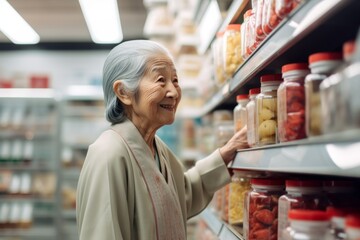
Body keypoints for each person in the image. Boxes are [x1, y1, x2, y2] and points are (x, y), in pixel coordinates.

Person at [76, 40, 248, 240]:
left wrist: (225, 155)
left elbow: (178, 197)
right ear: (124, 92)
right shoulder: (108, 154)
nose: (174, 92)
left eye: (175, 80)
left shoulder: (158, 148)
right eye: (160, 80)